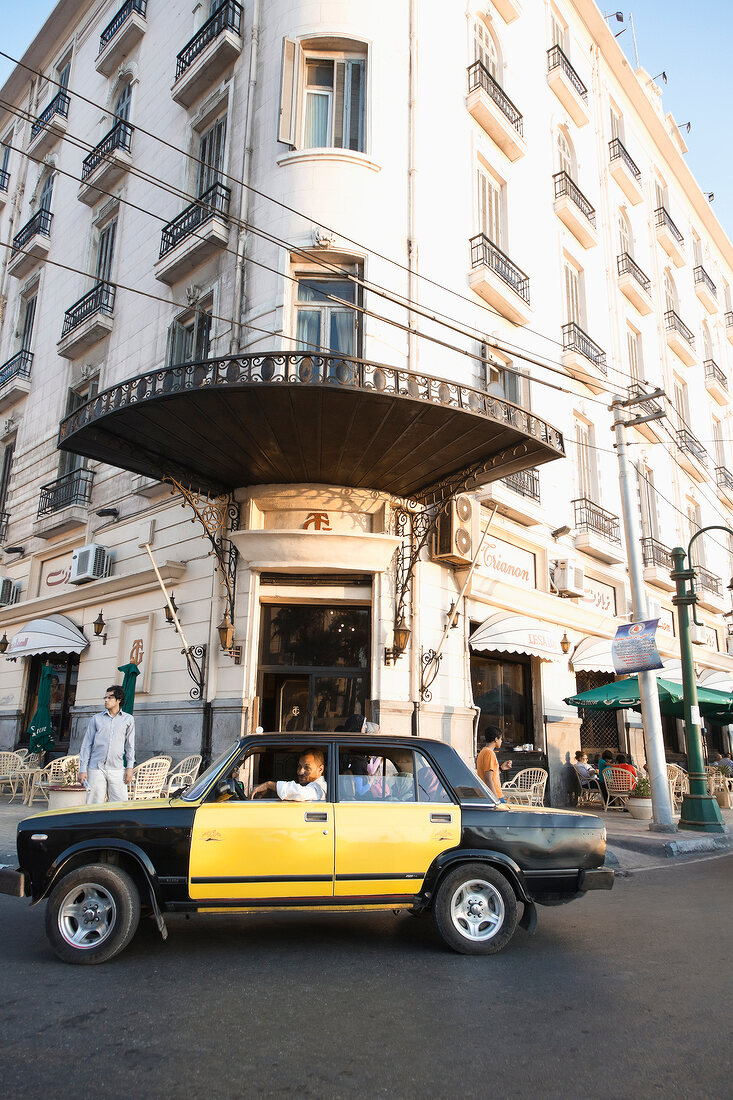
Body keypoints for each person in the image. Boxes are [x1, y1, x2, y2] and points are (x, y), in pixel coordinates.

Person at [78, 686, 135, 805]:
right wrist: (83, 769)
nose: (106, 700)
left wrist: (129, 767)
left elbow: (130, 746)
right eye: (105, 697)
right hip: (96, 768)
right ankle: (94, 824)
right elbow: (86, 744)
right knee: (93, 804)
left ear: (118, 700)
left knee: (120, 804)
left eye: (110, 698)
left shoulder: (128, 720)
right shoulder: (96, 719)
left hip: (117, 768)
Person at [251, 749, 327, 802]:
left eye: (307, 768)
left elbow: (299, 793)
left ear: (320, 769)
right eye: (299, 766)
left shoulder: (319, 788)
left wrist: (269, 785)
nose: (300, 772)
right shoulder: (313, 787)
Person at [476, 727, 507, 803]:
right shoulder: (489, 753)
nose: (501, 741)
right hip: (495, 795)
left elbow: (490, 774)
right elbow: (488, 778)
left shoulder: (483, 752)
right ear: (496, 739)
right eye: (500, 739)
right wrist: (495, 799)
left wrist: (501, 769)